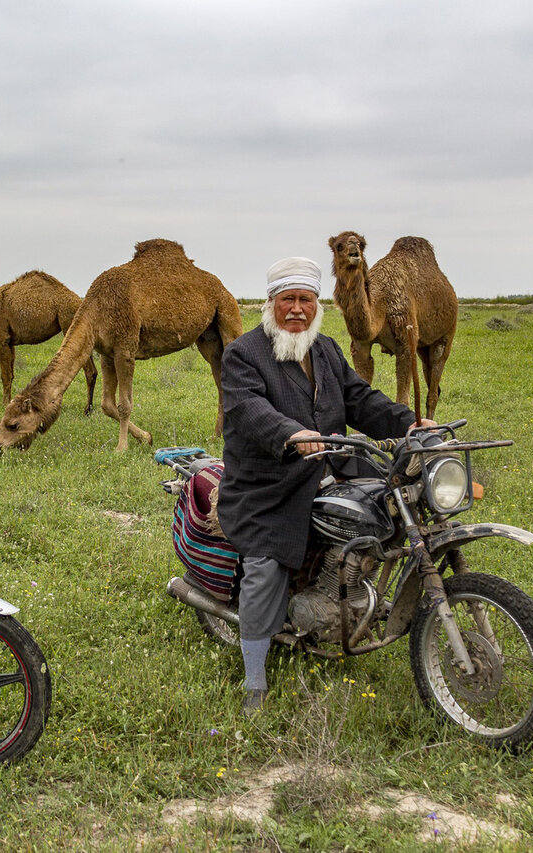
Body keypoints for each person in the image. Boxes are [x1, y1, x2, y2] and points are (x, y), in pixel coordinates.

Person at [217, 257, 434, 714]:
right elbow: (251, 410)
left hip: (329, 470)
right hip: (266, 485)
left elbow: (360, 399)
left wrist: (410, 424)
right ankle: (254, 678)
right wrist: (291, 436)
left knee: (389, 508)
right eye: (288, 300)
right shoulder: (244, 354)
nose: (297, 309)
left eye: (306, 301)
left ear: (318, 306)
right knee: (264, 566)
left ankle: (347, 591)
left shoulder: (328, 351)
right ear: (271, 303)